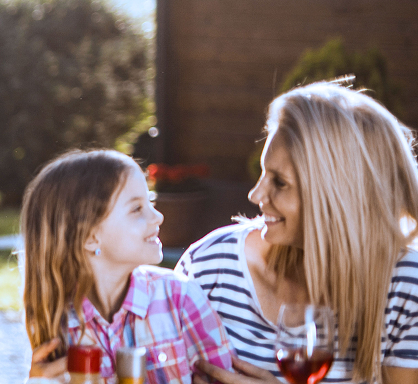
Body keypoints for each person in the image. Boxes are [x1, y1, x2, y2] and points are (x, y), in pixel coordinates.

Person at [176, 82, 418, 384]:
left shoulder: (406, 286)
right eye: (263, 174)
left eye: (280, 182)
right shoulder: (209, 266)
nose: (255, 194)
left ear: (338, 196)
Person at [23, 150, 233, 383]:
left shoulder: (181, 298)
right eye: (136, 209)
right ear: (90, 237)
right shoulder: (59, 324)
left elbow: (225, 377)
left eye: (150, 202)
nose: (158, 217)